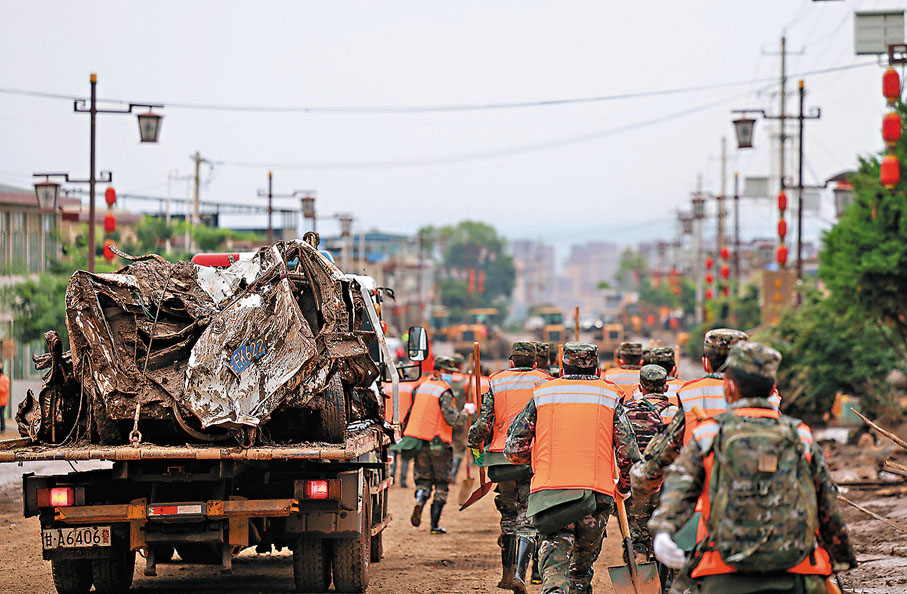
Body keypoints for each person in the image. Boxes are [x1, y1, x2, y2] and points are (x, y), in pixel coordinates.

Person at [650, 342, 858, 594]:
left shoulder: (710, 432)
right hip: (798, 572)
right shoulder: (800, 435)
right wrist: (842, 557)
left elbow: (679, 489)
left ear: (730, 387)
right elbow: (827, 505)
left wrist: (664, 530)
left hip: (725, 573)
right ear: (772, 389)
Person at [505, 342, 641, 594]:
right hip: (596, 494)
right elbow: (629, 455)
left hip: (550, 494)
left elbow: (513, 448)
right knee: (581, 569)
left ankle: (555, 589)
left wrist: (534, 462)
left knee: (554, 560)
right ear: (598, 369)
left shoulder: (543, 394)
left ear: (562, 367)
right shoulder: (609, 396)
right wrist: (623, 486)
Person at [468, 341, 551, 594]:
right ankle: (520, 574)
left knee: (508, 515)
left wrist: (474, 446)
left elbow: (483, 424)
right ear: (535, 363)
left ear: (511, 363)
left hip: (500, 460)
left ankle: (507, 574)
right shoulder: (545, 382)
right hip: (532, 458)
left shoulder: (497, 381)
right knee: (528, 516)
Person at [403, 356, 473, 534]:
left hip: (420, 441)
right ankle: (434, 526)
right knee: (441, 484)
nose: (449, 375)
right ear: (437, 371)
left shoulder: (422, 387)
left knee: (424, 480)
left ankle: (419, 500)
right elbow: (453, 420)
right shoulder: (444, 391)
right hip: (439, 444)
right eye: (447, 372)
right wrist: (466, 412)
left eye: (451, 373)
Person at [623, 365, 679, 561]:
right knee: (663, 536)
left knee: (637, 535)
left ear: (641, 387)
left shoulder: (626, 411)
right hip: (665, 486)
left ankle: (639, 572)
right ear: (665, 388)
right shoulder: (677, 413)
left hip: (636, 486)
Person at [0, 364, 8, 432]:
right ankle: (2, 428)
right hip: (4, 400)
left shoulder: (3, 379)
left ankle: (2, 428)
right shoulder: (5, 378)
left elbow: (2, 389)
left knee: (1, 415)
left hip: (2, 400)